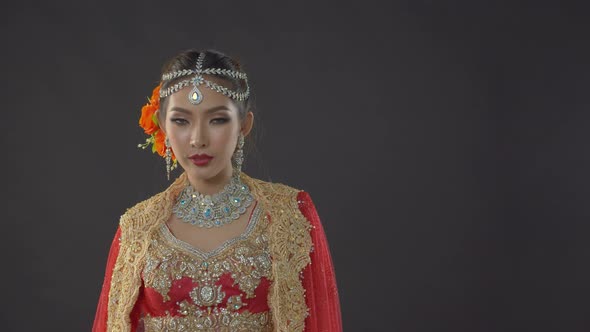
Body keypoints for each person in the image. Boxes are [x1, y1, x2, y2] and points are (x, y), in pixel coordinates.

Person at [92, 49, 342, 332]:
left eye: (217, 120)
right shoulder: (137, 227)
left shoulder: (290, 215)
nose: (198, 139)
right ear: (163, 126)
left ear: (244, 125)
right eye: (181, 121)